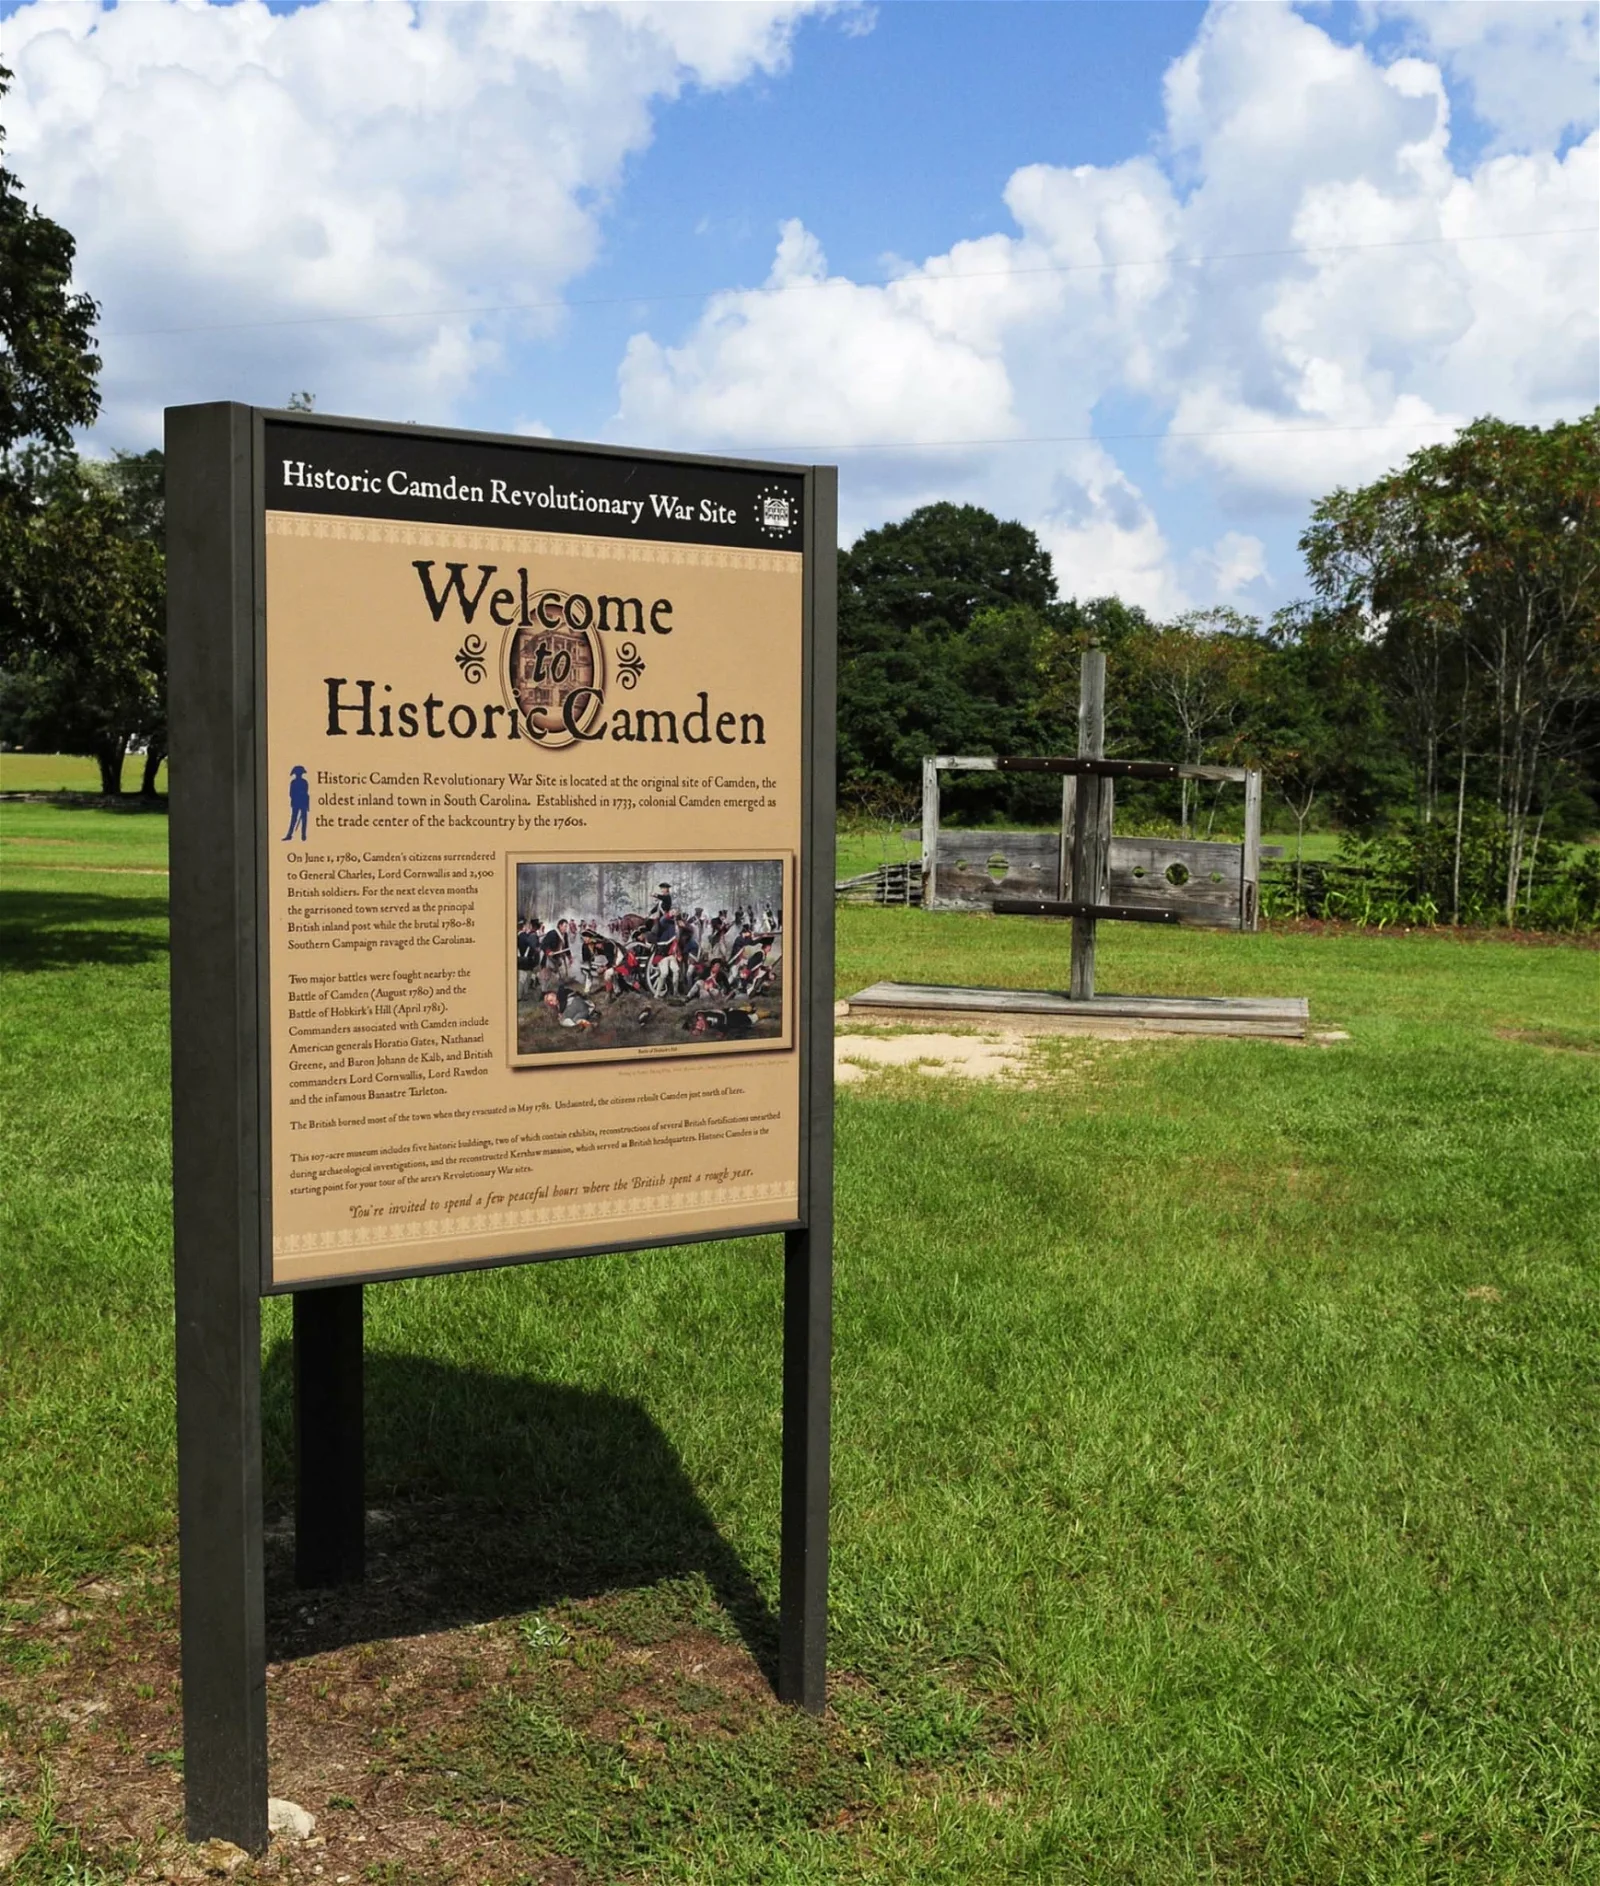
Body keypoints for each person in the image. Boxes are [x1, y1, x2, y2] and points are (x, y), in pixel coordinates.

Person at [283, 766, 310, 843]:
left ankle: (303, 835)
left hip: (303, 802)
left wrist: (307, 804)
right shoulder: (293, 782)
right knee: (294, 819)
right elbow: (291, 793)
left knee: (304, 819)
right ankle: (289, 835)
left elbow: (306, 793)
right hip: (296, 802)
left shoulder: (305, 782)